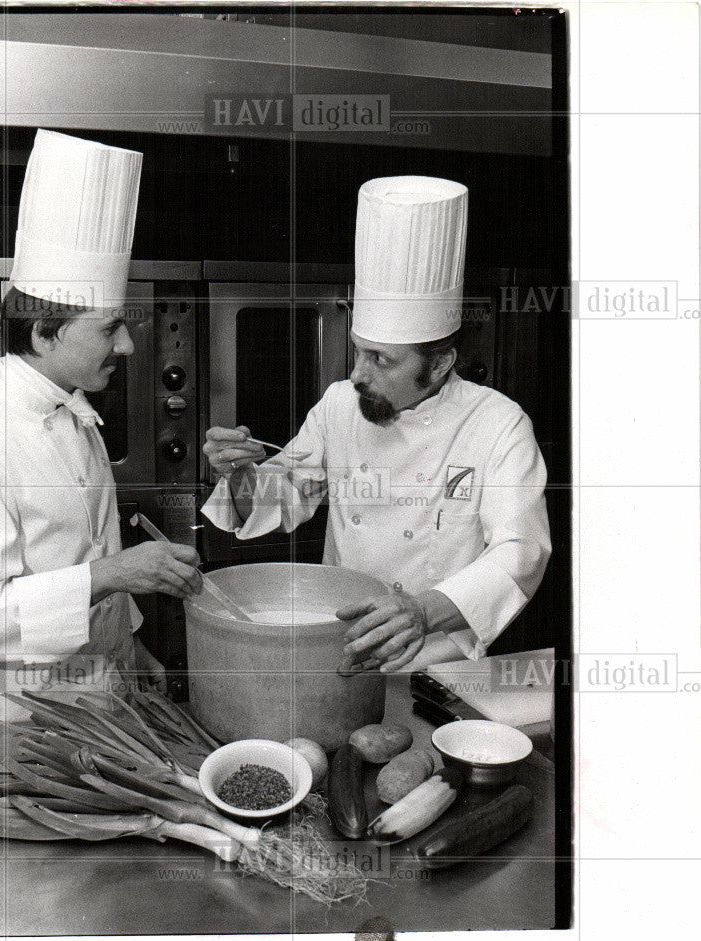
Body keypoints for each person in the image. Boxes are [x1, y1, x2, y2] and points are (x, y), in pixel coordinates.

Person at [202, 176, 551, 675]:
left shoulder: (497, 425)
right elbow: (284, 497)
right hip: (341, 647)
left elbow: (521, 552)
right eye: (358, 351)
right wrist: (238, 475)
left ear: (439, 362)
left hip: (439, 664)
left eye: (382, 361)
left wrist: (422, 610)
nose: (357, 375)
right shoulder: (340, 406)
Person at [0, 130, 201, 729]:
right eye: (109, 328)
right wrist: (115, 575)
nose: (130, 344)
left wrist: (129, 647)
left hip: (97, 704)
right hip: (13, 729)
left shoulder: (77, 416)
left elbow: (89, 552)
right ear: (42, 333)